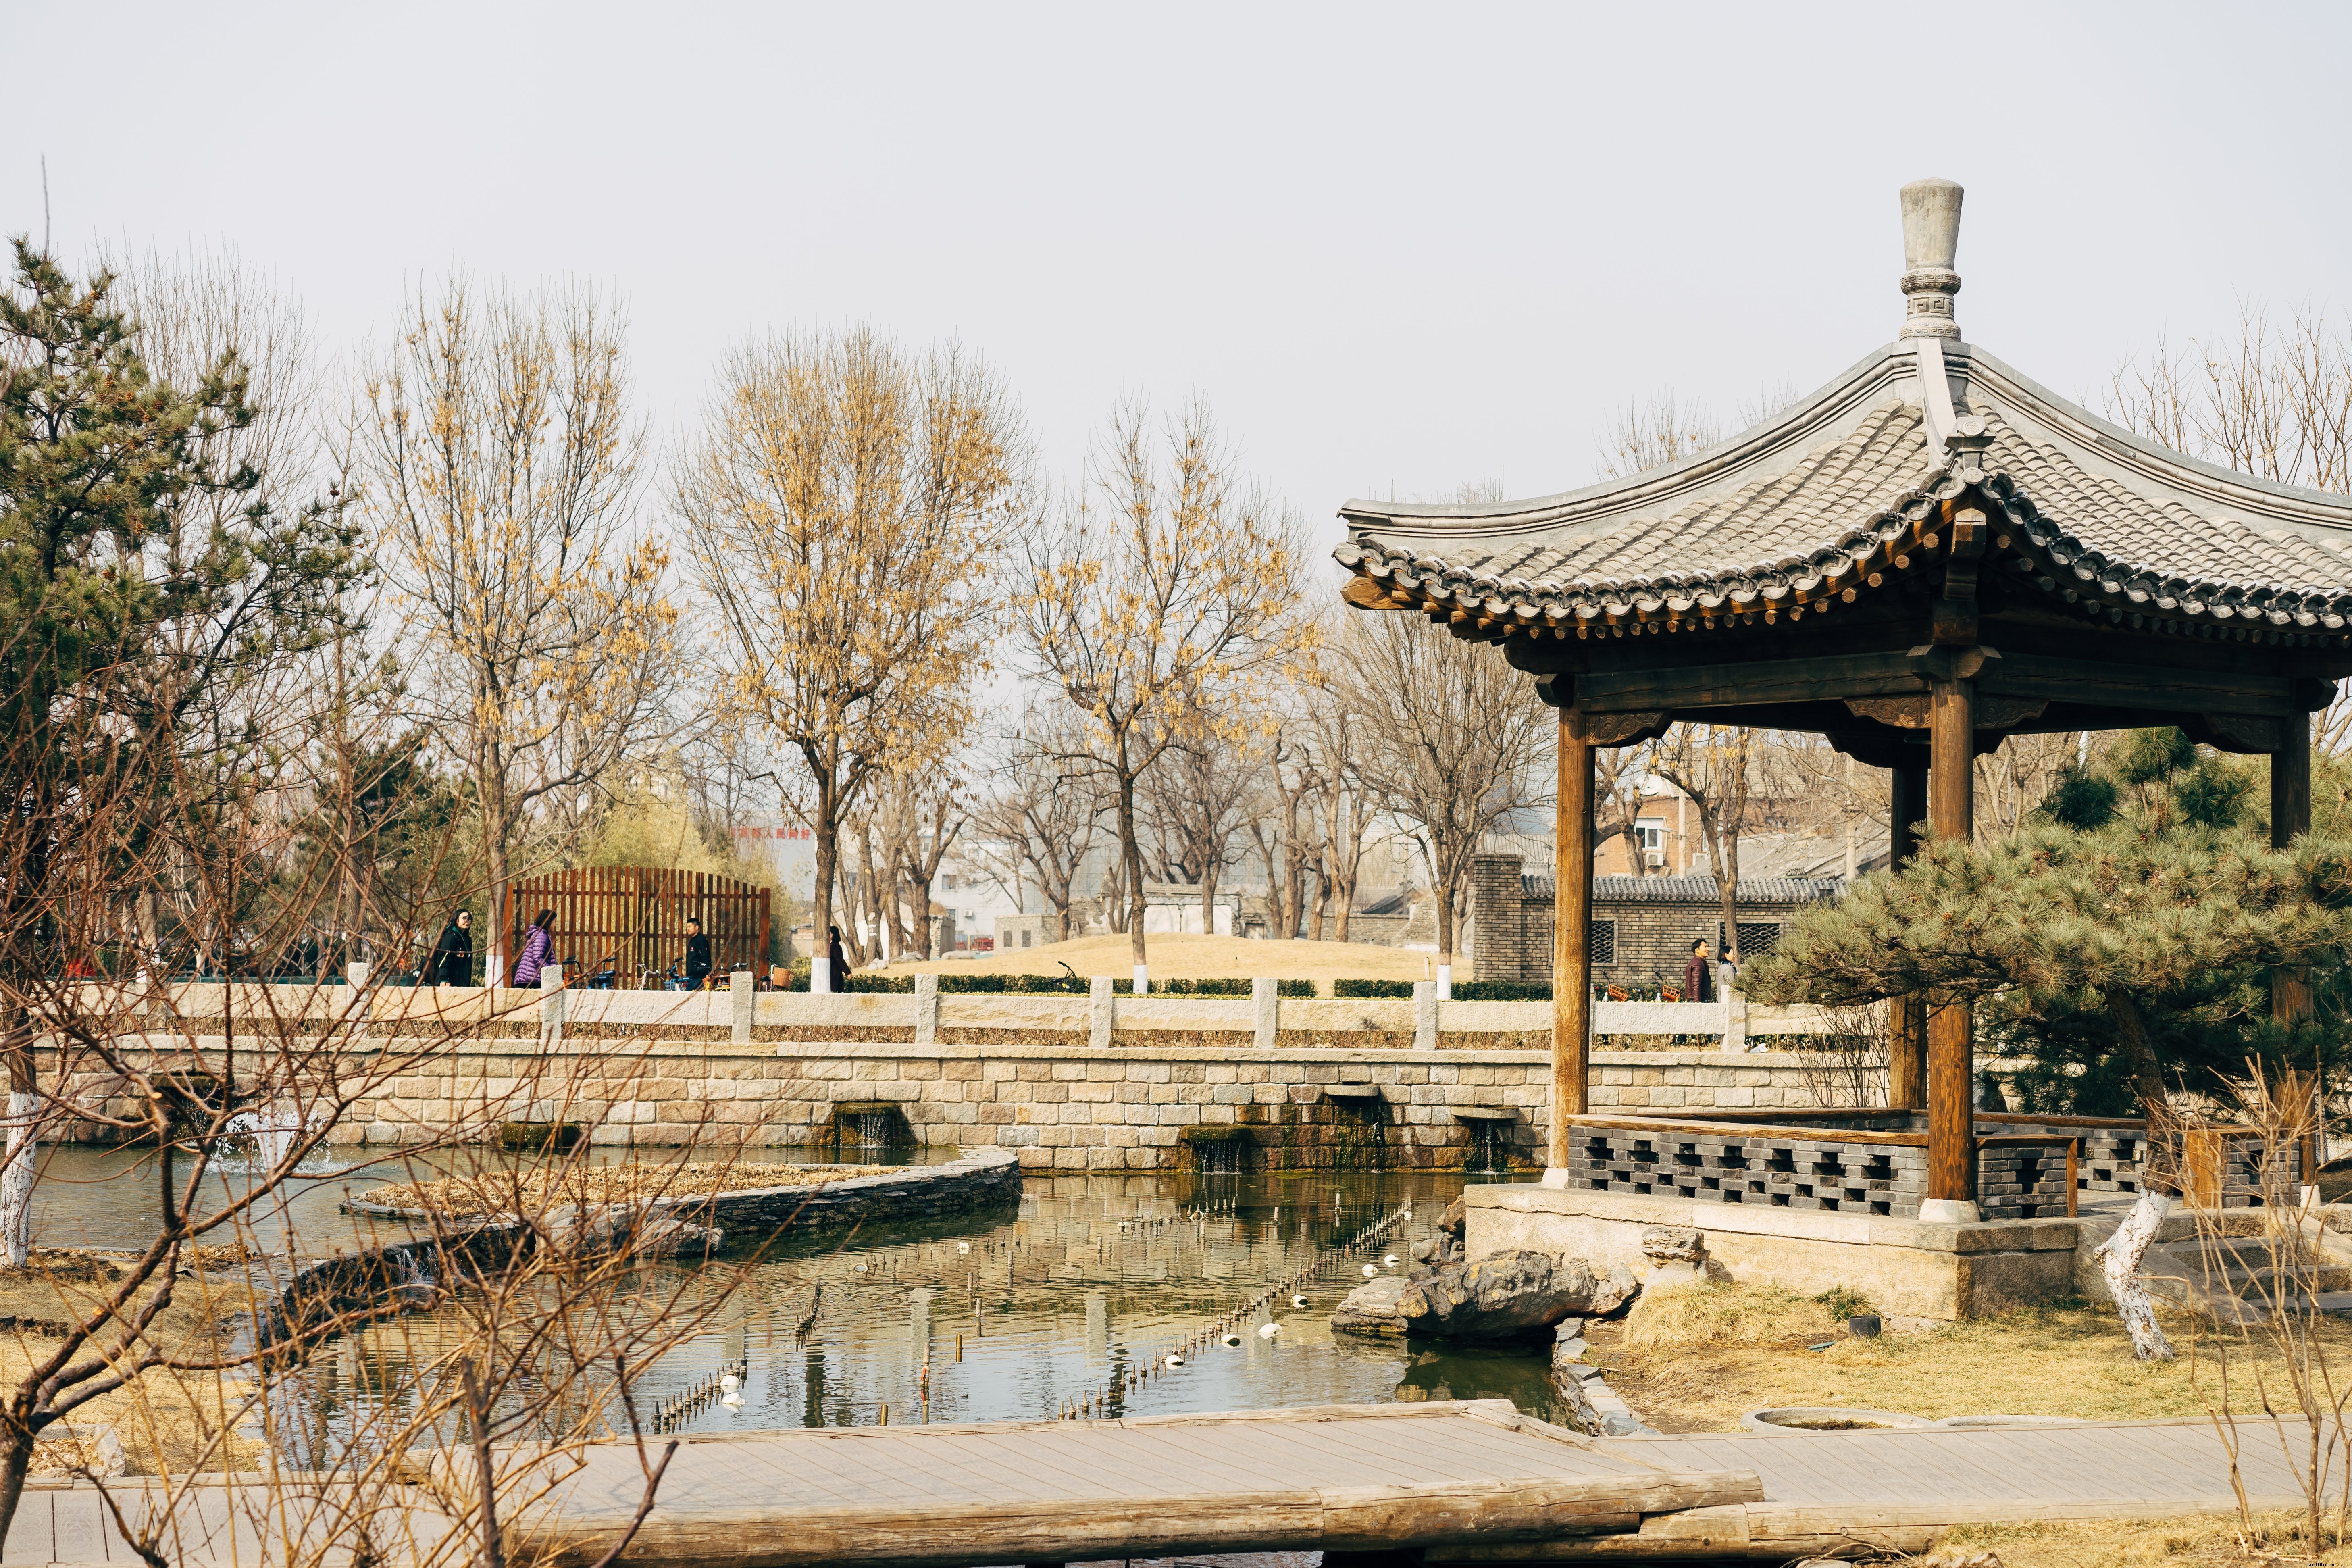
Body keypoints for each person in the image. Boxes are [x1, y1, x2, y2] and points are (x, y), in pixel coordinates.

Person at [514, 908, 557, 988]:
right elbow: (537, 958)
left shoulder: (540, 934)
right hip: (533, 979)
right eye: (554, 921)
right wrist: (551, 971)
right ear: (549, 922)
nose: (555, 925)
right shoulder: (542, 936)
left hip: (530, 978)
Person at [433, 910, 474, 987]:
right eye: (464, 918)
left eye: (469, 919)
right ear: (456, 920)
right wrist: (444, 978)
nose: (467, 921)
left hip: (461, 984)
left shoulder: (465, 939)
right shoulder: (450, 936)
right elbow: (445, 958)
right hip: (449, 983)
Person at [682, 917, 713, 991]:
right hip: (692, 977)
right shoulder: (693, 940)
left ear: (697, 927)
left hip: (699, 977)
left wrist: (706, 975)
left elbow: (706, 958)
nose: (688, 929)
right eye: (687, 927)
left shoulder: (701, 940)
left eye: (690, 927)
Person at [1681, 937, 1713, 1004]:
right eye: (1705, 947)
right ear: (1697, 950)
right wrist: (1698, 1003)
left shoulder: (1695, 962)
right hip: (1698, 1000)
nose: (1708, 949)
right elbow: (1696, 985)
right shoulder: (1698, 964)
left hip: (1695, 1000)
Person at [827, 924, 850, 993]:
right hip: (832, 973)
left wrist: (848, 972)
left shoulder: (835, 946)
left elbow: (840, 960)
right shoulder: (831, 945)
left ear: (832, 934)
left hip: (835, 974)